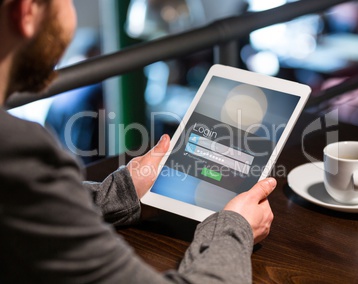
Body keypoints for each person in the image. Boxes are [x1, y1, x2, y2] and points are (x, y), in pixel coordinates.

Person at [0, 0, 276, 283]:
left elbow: (37, 211)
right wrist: (234, 227)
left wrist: (122, 191)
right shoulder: (18, 153)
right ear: (27, 11)